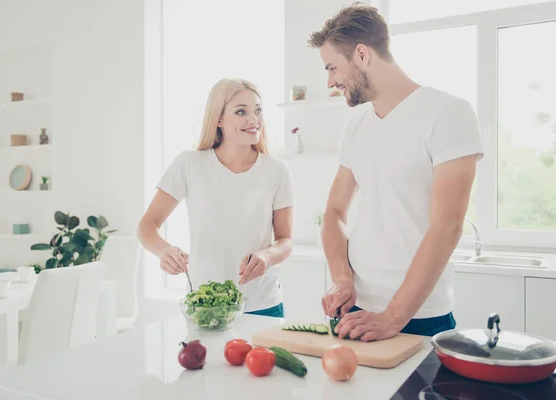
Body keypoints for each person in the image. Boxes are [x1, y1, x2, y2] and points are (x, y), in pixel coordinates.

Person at [308, 3, 484, 340]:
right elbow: (334, 211)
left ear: (362, 54)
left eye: (332, 68)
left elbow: (448, 225)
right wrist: (342, 279)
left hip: (417, 318)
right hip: (356, 311)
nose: (331, 81)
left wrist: (392, 317)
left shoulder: (447, 113)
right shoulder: (356, 128)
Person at [137, 78, 294, 318]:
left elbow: (285, 241)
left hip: (263, 304)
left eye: (258, 110)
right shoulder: (190, 164)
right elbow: (147, 226)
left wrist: (266, 256)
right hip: (205, 304)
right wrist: (164, 250)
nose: (253, 120)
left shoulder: (276, 170)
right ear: (218, 119)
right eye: (241, 112)